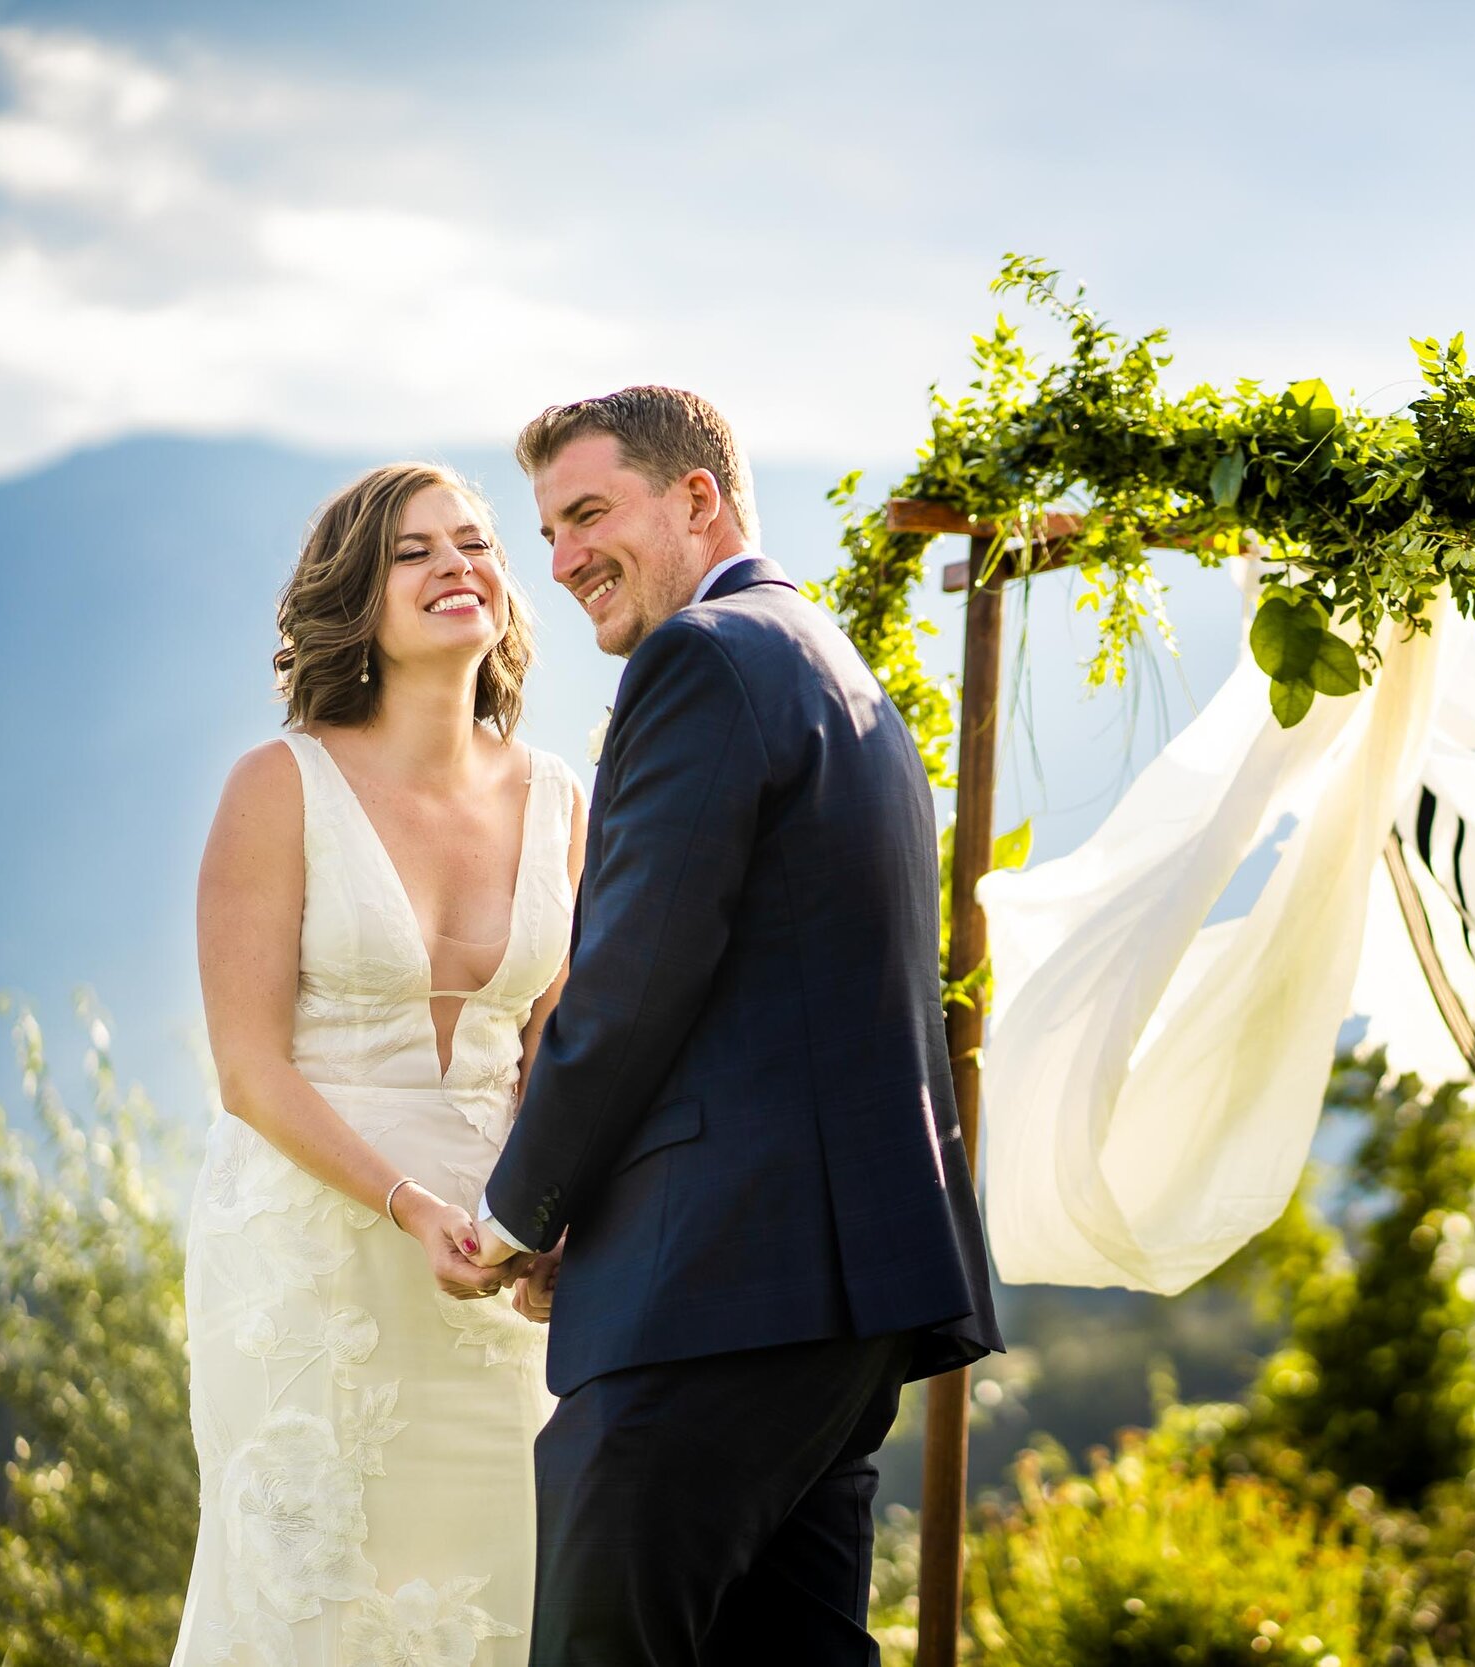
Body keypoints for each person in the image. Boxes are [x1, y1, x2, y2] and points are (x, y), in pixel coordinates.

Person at [465, 386, 1002, 1663]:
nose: (563, 559)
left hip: (717, 1285)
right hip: (835, 1289)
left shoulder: (702, 657)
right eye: (547, 530)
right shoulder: (822, 654)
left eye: (590, 512)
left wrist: (520, 1209)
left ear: (697, 496)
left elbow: (637, 977)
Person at [174, 463, 587, 1665]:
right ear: (357, 597)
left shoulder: (564, 798)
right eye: (414, 551)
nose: (457, 563)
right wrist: (405, 1204)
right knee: (308, 1595)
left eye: (476, 541)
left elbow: (552, 1054)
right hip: (313, 1256)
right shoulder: (278, 784)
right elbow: (248, 1071)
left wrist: (552, 1214)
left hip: (496, 1261)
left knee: (502, 1586)